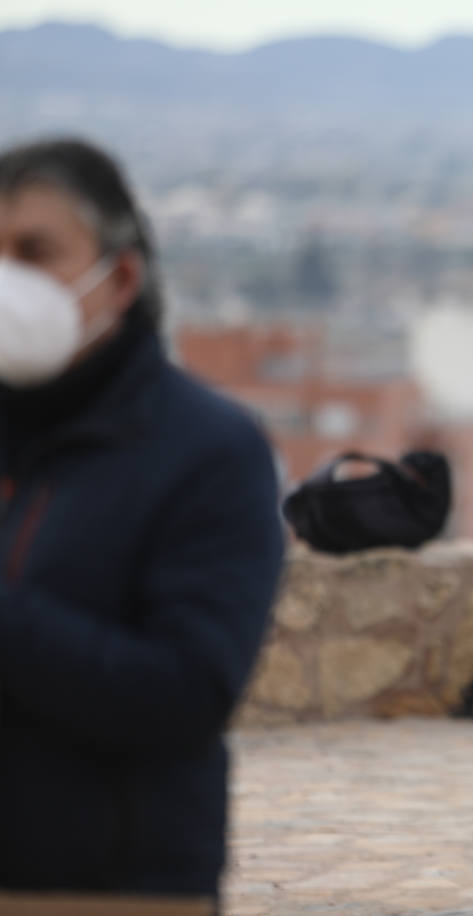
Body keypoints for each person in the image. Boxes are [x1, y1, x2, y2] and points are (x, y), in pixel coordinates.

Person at [0, 139, 285, 897]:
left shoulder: (207, 451)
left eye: (33, 252)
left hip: (113, 882)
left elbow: (187, 691)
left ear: (119, 276)